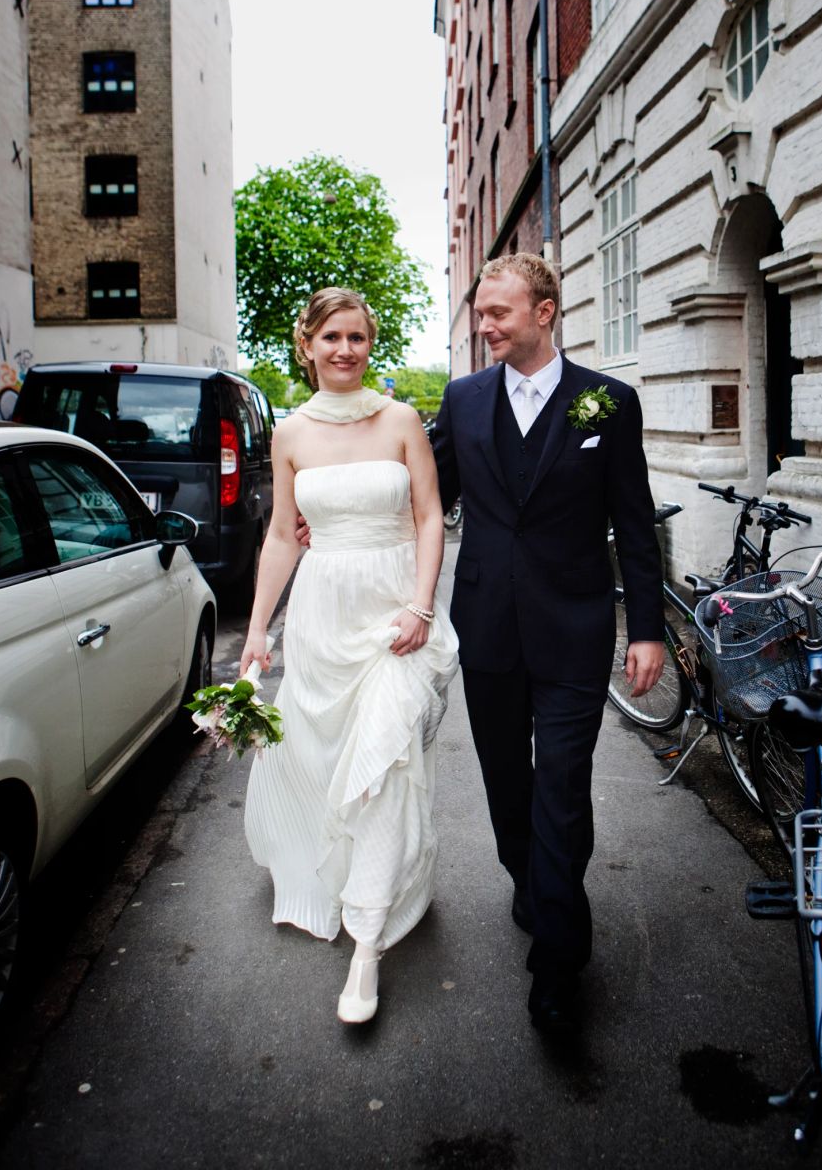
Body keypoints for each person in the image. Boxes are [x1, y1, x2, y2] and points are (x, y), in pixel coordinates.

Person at [430, 253, 664, 1034]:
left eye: (499, 313)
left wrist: (651, 631)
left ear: (545, 311)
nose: (485, 326)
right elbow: (426, 498)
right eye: (480, 315)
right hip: (488, 625)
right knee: (508, 784)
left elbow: (633, 520)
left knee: (562, 790)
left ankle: (559, 962)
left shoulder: (606, 402)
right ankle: (529, 883)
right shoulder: (462, 401)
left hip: (574, 630)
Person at [240, 287, 458, 1025]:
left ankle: (366, 943)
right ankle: (349, 878)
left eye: (356, 338)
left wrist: (421, 605)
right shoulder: (291, 433)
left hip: (397, 612)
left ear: (371, 345)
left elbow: (430, 516)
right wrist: (256, 632)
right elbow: (280, 536)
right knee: (333, 765)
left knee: (386, 762)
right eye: (330, 336)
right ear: (307, 345)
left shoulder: (400, 420)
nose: (344, 349)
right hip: (322, 614)